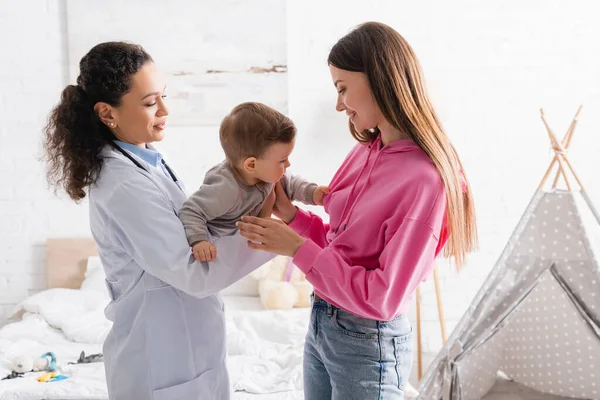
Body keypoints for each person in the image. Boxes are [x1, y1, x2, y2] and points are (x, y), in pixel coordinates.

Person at [237, 21, 478, 399]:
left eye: (342, 88)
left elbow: (381, 298)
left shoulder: (424, 181)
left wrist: (296, 248)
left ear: (379, 79)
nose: (338, 104)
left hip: (368, 343)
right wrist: (293, 218)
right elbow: (342, 248)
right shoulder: (365, 151)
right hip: (323, 323)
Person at [43, 41, 274, 400]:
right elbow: (192, 273)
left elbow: (192, 232)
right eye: (151, 102)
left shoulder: (148, 158)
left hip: (188, 346)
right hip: (159, 362)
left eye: (163, 96)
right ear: (107, 114)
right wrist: (275, 237)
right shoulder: (122, 184)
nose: (165, 110)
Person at [179, 102, 328, 262]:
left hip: (245, 239)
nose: (288, 164)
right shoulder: (225, 189)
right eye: (283, 160)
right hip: (221, 243)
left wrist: (313, 193)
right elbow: (191, 211)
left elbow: (292, 184)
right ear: (251, 165)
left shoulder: (266, 173)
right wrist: (199, 241)